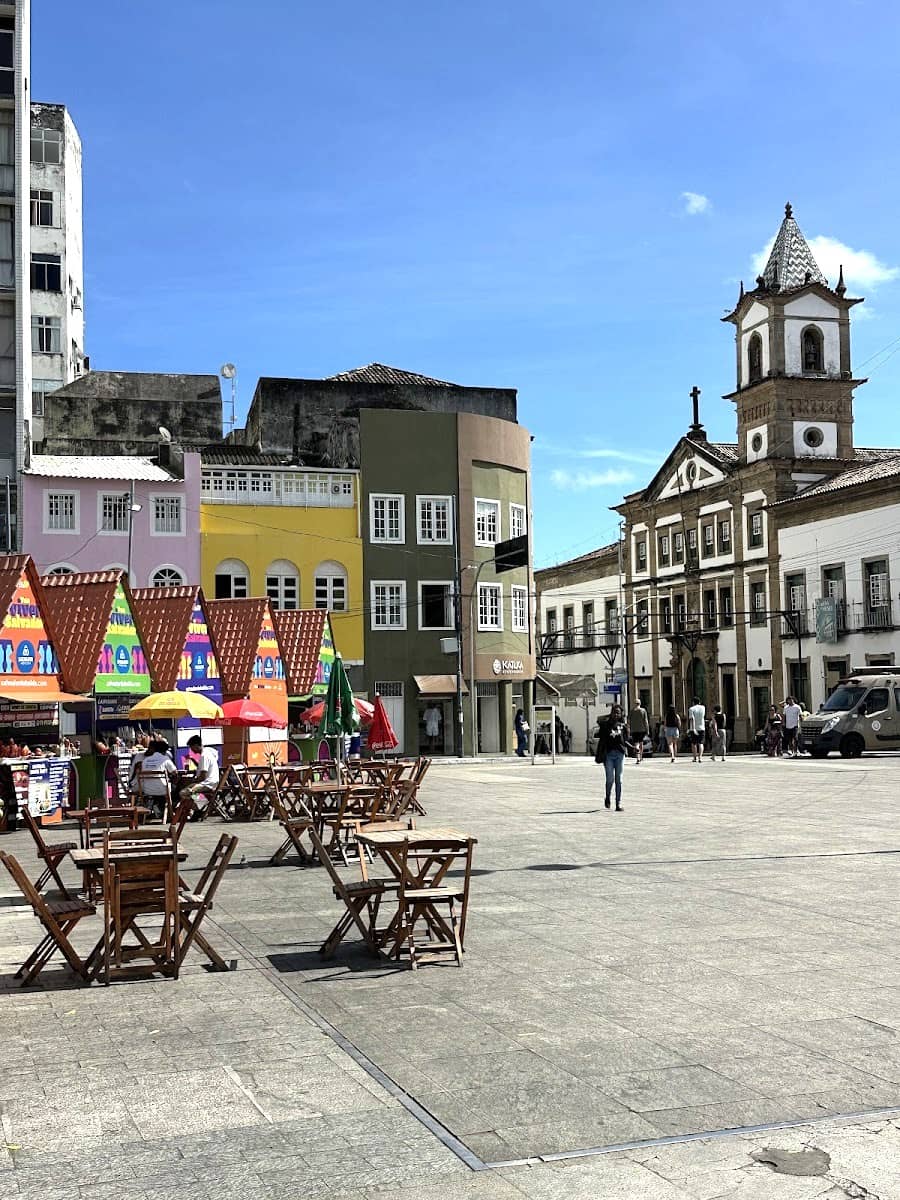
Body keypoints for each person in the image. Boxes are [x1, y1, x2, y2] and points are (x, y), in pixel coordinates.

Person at [595, 703, 630, 811]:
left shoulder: (623, 726)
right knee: (610, 779)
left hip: (620, 754)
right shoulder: (606, 725)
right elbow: (599, 730)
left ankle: (618, 803)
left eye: (618, 713)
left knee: (619, 779)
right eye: (614, 712)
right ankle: (608, 797)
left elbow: (626, 740)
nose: (616, 715)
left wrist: (633, 747)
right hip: (609, 755)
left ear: (621, 714)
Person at [179, 734, 220, 820]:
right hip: (212, 782)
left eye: (191, 747)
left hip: (207, 784)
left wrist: (192, 781)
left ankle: (200, 805)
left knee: (184, 792)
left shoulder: (204, 756)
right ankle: (199, 806)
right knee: (189, 789)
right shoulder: (209, 753)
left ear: (196, 745)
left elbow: (203, 777)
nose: (191, 750)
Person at [137, 737, 178, 821]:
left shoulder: (145, 760)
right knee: (176, 788)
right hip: (163, 790)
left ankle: (157, 805)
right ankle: (170, 810)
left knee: (162, 787)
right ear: (165, 751)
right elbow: (175, 772)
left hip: (147, 790)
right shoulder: (165, 759)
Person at [688, 696, 706, 763]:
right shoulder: (703, 708)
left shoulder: (691, 709)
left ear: (693, 702)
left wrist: (693, 728)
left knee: (694, 743)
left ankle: (695, 757)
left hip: (694, 728)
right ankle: (700, 757)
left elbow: (692, 719)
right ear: (699, 702)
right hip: (702, 727)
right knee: (701, 743)